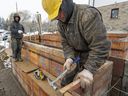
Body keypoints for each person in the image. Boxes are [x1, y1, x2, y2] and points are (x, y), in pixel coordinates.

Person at [42, 0, 111, 94]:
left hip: (92, 55)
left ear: (66, 3)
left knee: (84, 87)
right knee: (65, 82)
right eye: (55, 15)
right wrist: (69, 57)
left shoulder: (87, 15)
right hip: (76, 56)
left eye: (59, 11)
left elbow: (101, 46)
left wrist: (89, 69)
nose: (58, 17)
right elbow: (65, 43)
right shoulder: (61, 23)